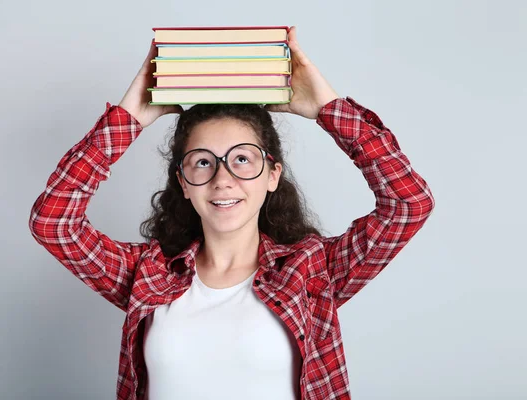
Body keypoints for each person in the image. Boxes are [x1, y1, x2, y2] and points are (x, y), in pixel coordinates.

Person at [28, 26, 435, 400]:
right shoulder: (148, 274)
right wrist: (127, 120)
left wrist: (328, 108)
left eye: (242, 159)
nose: (223, 180)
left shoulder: (311, 272)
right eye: (203, 162)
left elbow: (408, 204)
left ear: (272, 175)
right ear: (183, 182)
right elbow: (53, 221)